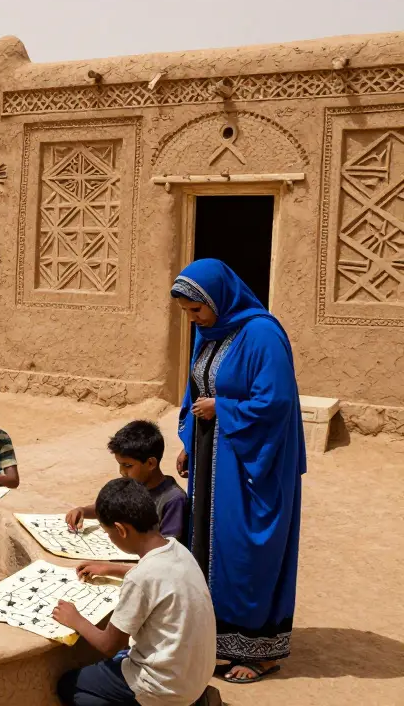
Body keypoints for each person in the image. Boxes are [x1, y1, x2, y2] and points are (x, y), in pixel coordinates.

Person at [171, 259, 305, 684]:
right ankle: (220, 641)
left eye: (196, 310)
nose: (193, 319)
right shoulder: (210, 332)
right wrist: (191, 441)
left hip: (253, 462)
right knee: (210, 546)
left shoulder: (262, 333)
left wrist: (221, 409)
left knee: (248, 549)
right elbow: (197, 389)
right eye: (188, 312)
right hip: (215, 456)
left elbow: (276, 402)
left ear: (218, 298)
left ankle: (261, 650)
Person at [53, 479, 219, 706]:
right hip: (196, 677)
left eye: (108, 533)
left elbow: (109, 646)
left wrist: (76, 619)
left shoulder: (139, 579)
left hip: (164, 686)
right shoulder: (177, 549)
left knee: (69, 687)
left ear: (120, 530)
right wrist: (111, 568)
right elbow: (159, 576)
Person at [66, 421, 188, 580]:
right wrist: (83, 510)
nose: (122, 472)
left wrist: (110, 569)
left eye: (128, 465)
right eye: (120, 465)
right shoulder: (135, 485)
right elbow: (112, 507)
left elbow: (164, 564)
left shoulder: (173, 500)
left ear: (151, 463)